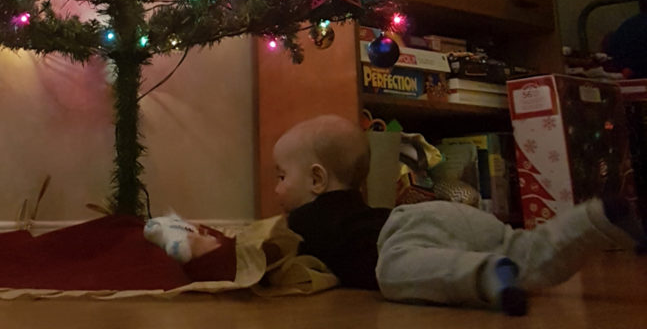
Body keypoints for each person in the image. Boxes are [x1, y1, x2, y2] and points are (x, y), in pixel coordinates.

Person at [271, 113, 645, 316]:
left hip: (406, 233)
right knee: (529, 251)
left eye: (282, 177)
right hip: (448, 216)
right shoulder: (356, 211)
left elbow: (279, 259)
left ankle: (482, 274)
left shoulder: (305, 220)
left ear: (317, 179)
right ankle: (598, 218)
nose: (276, 189)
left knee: (393, 270)